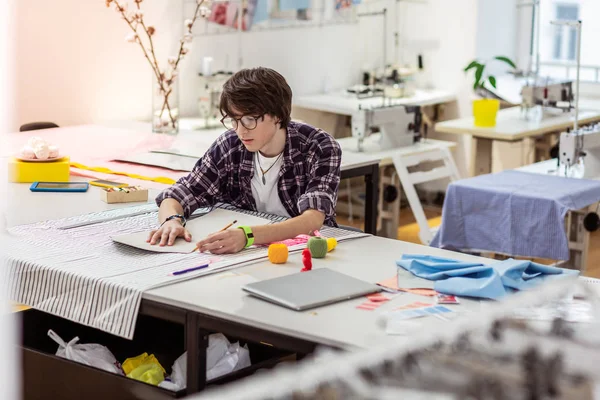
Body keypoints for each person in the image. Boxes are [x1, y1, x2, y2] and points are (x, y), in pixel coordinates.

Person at [148, 67, 342, 254]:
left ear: (277, 115)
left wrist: (248, 236)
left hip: (308, 251)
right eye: (234, 120)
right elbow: (180, 193)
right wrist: (171, 220)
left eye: (250, 119)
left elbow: (313, 219)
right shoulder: (230, 146)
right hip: (249, 254)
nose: (241, 131)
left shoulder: (320, 147)